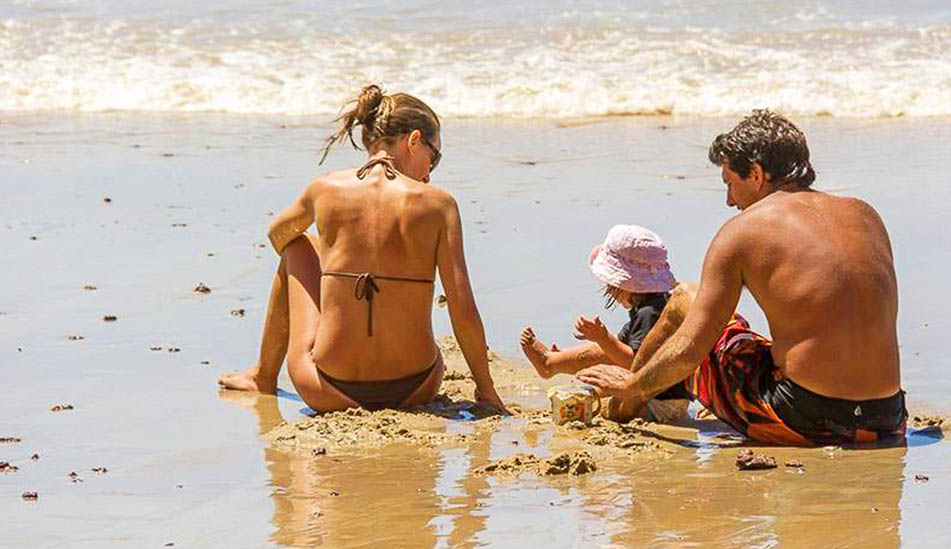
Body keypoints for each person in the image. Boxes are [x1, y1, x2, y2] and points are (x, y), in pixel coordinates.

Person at [578, 109, 907, 445]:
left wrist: (633, 384)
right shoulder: (865, 215)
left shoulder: (742, 232)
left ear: (756, 173)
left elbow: (690, 350)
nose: (729, 200)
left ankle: (621, 406)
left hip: (804, 420)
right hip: (888, 417)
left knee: (682, 301)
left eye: (730, 184)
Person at [219, 85, 506, 415]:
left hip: (325, 389)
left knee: (299, 245)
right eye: (434, 156)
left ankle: (263, 375)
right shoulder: (439, 205)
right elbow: (463, 310)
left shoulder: (325, 188)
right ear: (413, 140)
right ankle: (265, 373)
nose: (429, 173)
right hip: (416, 387)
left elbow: (277, 235)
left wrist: (338, 267)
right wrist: (486, 391)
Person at [520, 224, 692, 420]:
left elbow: (636, 362)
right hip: (658, 396)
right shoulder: (657, 303)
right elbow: (613, 353)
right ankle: (550, 362)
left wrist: (603, 338)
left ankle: (551, 364)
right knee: (603, 359)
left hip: (658, 406)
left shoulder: (649, 314)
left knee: (597, 403)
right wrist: (599, 344)